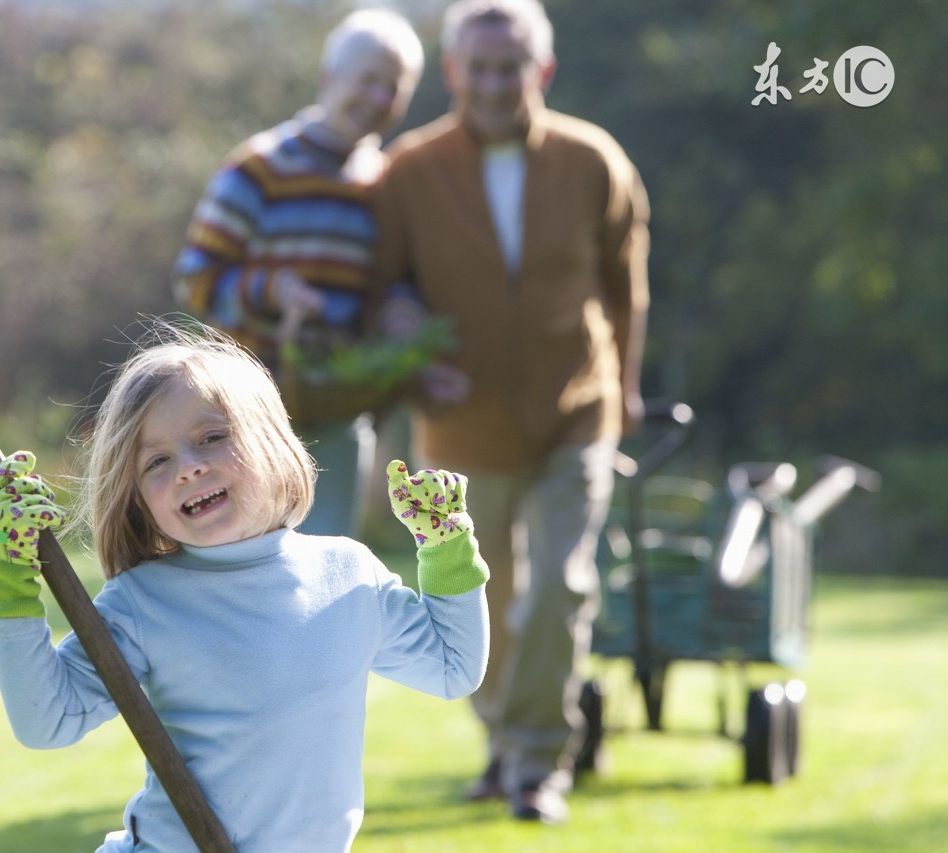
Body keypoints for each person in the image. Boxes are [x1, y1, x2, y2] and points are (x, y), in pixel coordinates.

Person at [0, 321, 490, 851]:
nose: (188, 468)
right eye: (157, 461)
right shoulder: (143, 602)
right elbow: (47, 721)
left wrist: (445, 544)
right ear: (136, 499)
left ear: (270, 440)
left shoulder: (348, 575)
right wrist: (12, 579)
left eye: (211, 438)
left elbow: (454, 668)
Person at [371, 0, 651, 825]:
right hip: (462, 425)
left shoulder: (593, 160)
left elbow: (626, 288)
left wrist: (626, 389)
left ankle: (537, 763)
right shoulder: (409, 171)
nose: (496, 83)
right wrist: (405, 335)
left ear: (543, 70)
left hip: (578, 411)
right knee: (479, 599)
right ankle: (500, 738)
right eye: (480, 67)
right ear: (454, 71)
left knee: (560, 590)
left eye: (512, 66)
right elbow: (386, 284)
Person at [173, 8, 425, 537]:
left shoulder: (385, 183)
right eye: (368, 81)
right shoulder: (259, 167)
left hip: (337, 410)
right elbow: (196, 277)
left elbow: (391, 281)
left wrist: (400, 312)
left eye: (394, 88)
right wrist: (272, 289)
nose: (378, 99)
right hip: (244, 414)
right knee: (246, 558)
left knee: (327, 563)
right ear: (329, 78)